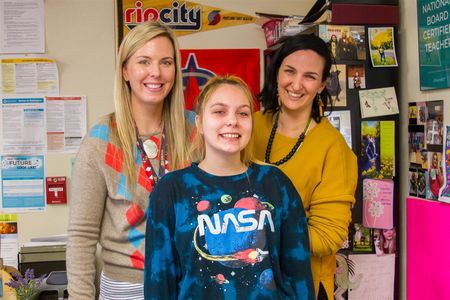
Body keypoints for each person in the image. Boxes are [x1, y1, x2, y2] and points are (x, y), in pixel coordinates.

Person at [144, 75, 315, 299]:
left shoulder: (275, 183)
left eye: (243, 113)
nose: (232, 121)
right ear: (199, 123)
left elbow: (299, 274)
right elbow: (159, 283)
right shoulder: (171, 190)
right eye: (219, 111)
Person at [66, 22, 193, 299]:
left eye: (166, 62)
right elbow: (81, 238)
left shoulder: (197, 132)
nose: (156, 72)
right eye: (143, 61)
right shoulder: (101, 139)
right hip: (126, 288)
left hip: (190, 283)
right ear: (125, 70)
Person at [253, 33, 358, 300]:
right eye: (289, 71)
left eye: (310, 76)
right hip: (247, 280)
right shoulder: (248, 126)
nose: (296, 84)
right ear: (276, 73)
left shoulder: (333, 147)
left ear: (322, 85)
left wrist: (257, 231)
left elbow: (327, 237)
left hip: (302, 285)